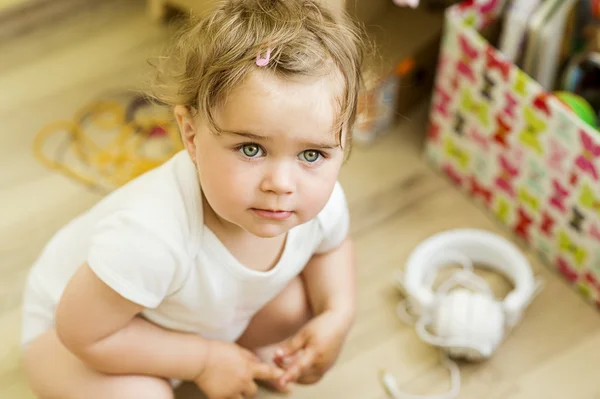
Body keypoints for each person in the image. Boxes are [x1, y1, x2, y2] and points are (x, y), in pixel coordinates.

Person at [21, 0, 366, 398]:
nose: (281, 184)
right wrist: (201, 360)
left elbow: (332, 248)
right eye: (251, 149)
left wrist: (337, 313)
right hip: (79, 338)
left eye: (312, 155)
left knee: (299, 305)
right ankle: (203, 361)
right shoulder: (151, 234)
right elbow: (82, 332)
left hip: (183, 316)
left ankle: (219, 353)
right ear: (190, 134)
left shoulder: (315, 202)